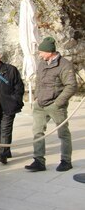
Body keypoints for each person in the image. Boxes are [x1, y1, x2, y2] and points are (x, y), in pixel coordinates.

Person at [25, 37, 77, 172]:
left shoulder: (65, 65)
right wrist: (36, 98)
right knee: (37, 132)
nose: (39, 54)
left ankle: (66, 161)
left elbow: (71, 86)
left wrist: (58, 103)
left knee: (63, 133)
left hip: (56, 105)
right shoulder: (42, 63)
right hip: (40, 105)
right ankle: (38, 161)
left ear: (49, 52)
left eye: (41, 52)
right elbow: (38, 81)